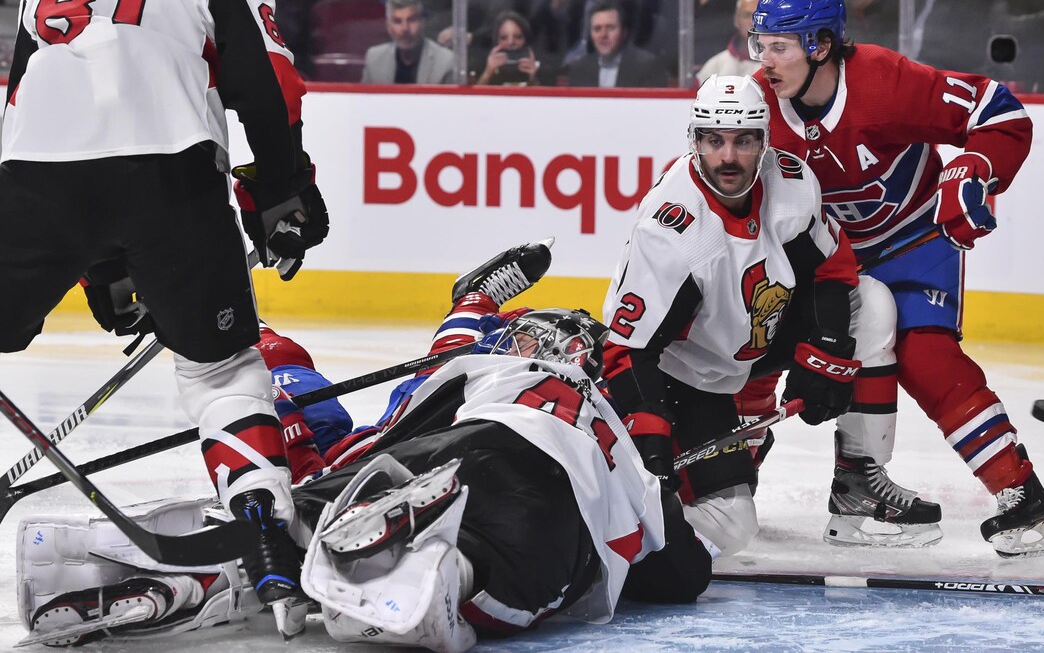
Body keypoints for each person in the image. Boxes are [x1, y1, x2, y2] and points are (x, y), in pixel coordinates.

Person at [16, 243, 713, 651]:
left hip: (413, 453)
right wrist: (658, 486)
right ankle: (430, 563)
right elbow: (682, 570)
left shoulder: (489, 363)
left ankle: (201, 562)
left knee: (289, 504)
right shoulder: (605, 430)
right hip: (508, 497)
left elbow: (462, 321)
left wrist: (478, 303)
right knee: (492, 570)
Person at [0, 0, 329, 623]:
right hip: (169, 170)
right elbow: (266, 81)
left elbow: (24, 100)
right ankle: (264, 534)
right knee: (221, 373)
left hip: (30, 176)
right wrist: (280, 189)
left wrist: (101, 262)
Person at [747, 0, 1044, 558]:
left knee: (926, 356)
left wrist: (975, 163)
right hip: (825, 255)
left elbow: (999, 113)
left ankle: (1021, 497)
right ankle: (735, 473)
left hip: (913, 240)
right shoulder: (757, 103)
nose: (764, 62)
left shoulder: (885, 82)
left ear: (821, 45)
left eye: (779, 47)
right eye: (759, 45)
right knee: (759, 335)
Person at [600, 74, 927, 556]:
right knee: (733, 526)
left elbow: (832, 269)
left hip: (754, 335)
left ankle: (857, 479)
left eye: (743, 141)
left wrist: (827, 351)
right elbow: (627, 350)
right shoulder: (671, 229)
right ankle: (627, 525)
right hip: (687, 377)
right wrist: (651, 434)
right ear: (695, 142)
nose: (728, 157)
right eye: (714, 140)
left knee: (872, 302)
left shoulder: (791, 181)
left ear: (765, 142)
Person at [567, 0, 669, 88]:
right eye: (597, 29)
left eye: (610, 28)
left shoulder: (647, 66)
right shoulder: (579, 69)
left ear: (624, 33)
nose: (603, 35)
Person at [362, 0, 457, 85]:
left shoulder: (446, 61)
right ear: (388, 27)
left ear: (422, 23)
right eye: (398, 21)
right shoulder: (374, 58)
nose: (405, 28)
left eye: (412, 20)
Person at [697, 0, 763, 82]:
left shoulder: (780, 64)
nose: (753, 22)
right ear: (736, 20)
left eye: (758, 16)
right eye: (746, 16)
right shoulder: (715, 66)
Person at [476, 11, 549, 86]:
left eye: (518, 37)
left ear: (526, 39)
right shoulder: (483, 66)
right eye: (504, 38)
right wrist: (488, 72)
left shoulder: (541, 67)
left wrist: (533, 77)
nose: (511, 42)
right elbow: (473, 97)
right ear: (496, 40)